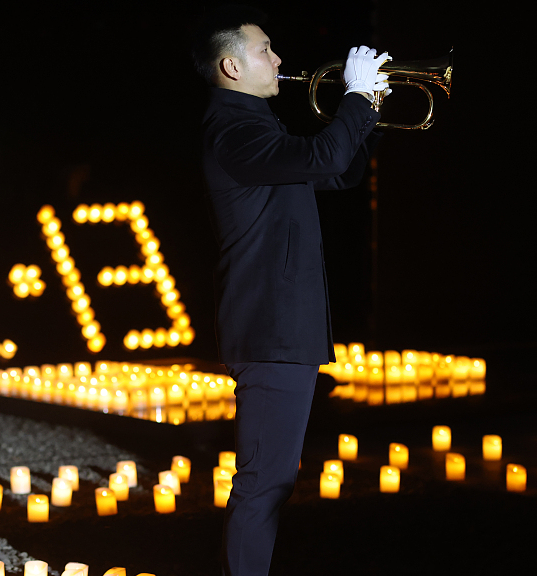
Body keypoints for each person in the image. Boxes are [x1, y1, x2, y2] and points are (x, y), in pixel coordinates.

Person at [192, 7, 389, 575]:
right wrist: (353, 100)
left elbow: (336, 172)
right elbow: (327, 155)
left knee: (272, 481)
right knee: (264, 483)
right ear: (231, 65)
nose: (279, 60)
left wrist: (368, 107)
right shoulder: (233, 130)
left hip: (282, 328)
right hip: (270, 328)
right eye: (265, 51)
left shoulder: (256, 128)